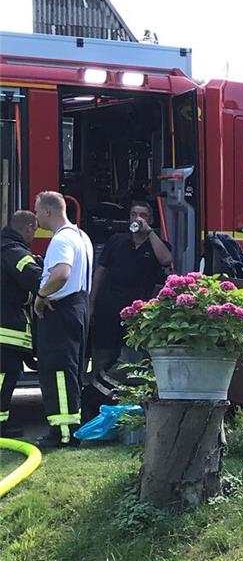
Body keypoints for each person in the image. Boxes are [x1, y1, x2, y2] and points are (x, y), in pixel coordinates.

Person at [33, 191, 94, 448]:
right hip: (78, 307)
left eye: (37, 211)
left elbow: (61, 273)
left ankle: (63, 433)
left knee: (57, 370)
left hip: (61, 310)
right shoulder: (81, 236)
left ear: (48, 211)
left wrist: (40, 294)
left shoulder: (61, 240)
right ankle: (69, 428)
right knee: (71, 369)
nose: (35, 216)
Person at [90, 201, 172, 373]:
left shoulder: (157, 244)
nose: (138, 219)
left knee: (133, 357)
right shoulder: (116, 240)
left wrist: (149, 232)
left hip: (138, 311)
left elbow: (166, 260)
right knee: (103, 353)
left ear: (150, 219)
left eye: (143, 215)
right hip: (109, 308)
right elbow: (100, 271)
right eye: (134, 215)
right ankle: (96, 392)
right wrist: (92, 302)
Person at [1, 210, 44, 436]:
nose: (34, 236)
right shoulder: (16, 254)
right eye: (34, 231)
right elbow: (37, 279)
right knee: (5, 374)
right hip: (6, 329)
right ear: (27, 228)